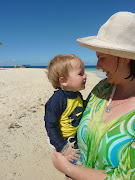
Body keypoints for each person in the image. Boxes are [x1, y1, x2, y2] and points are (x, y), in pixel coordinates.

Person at [52, 11, 135, 179]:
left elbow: (124, 177)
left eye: (102, 58)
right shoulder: (102, 88)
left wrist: (68, 169)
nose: (97, 66)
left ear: (125, 57)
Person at [44, 54, 86, 172]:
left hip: (74, 138)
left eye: (84, 72)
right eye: (80, 74)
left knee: (77, 164)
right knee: (71, 168)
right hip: (62, 140)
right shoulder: (57, 100)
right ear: (64, 81)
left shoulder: (77, 95)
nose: (85, 76)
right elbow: (51, 126)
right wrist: (62, 147)